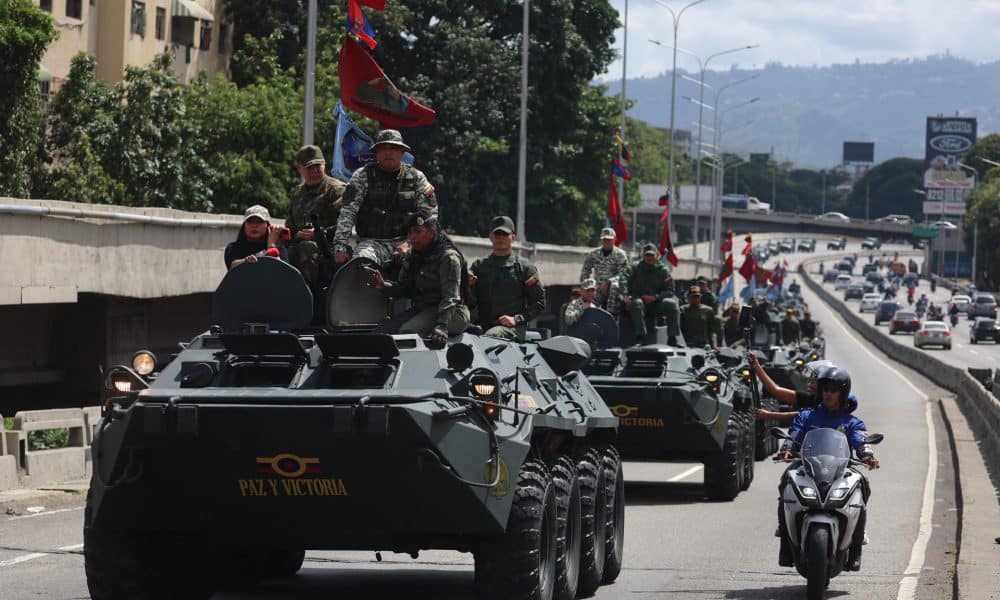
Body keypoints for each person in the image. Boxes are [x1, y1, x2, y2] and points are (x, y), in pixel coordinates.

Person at [775, 367, 878, 571]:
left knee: (862, 485)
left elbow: (860, 440)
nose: (828, 394)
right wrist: (787, 449)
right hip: (807, 467)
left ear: (843, 393)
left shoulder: (851, 421)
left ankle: (856, 547)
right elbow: (794, 435)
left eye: (833, 390)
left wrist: (868, 455)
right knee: (786, 480)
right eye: (825, 389)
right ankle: (786, 542)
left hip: (840, 471)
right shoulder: (807, 416)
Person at [333, 130, 437, 269]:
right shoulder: (362, 175)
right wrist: (340, 247)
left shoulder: (417, 178)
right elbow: (347, 212)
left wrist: (410, 243)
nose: (388, 153)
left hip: (408, 243)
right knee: (361, 264)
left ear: (402, 152)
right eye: (383, 149)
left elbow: (429, 217)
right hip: (371, 243)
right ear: (376, 153)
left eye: (393, 149)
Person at [367, 209, 469, 348]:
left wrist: (442, 326)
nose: (412, 237)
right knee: (381, 332)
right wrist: (383, 285)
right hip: (423, 308)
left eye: (418, 231)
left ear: (433, 232)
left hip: (451, 313)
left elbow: (450, 296)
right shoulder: (414, 256)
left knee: (407, 333)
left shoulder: (448, 257)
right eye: (410, 233)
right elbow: (405, 288)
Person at [468, 216, 546, 340]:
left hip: (512, 329)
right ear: (490, 237)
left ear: (513, 238)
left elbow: (539, 303)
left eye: (504, 234)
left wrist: (517, 319)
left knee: (492, 336)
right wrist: (468, 287)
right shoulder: (479, 266)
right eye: (497, 234)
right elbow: (470, 303)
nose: (500, 238)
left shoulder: (524, 267)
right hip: (482, 326)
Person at [285, 145, 347, 288]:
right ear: (299, 169)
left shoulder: (337, 190)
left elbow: (345, 225)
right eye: (309, 167)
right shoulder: (296, 193)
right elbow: (289, 228)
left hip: (328, 249)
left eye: (317, 166)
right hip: (298, 248)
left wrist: (319, 234)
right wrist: (297, 234)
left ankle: (308, 294)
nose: (314, 171)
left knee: (307, 247)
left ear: (324, 165)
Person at [621, 244, 680, 343]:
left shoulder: (663, 270)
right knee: (637, 303)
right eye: (647, 255)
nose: (649, 258)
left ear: (657, 256)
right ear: (642, 256)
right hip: (639, 302)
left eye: (652, 255)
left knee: (672, 305)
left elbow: (670, 290)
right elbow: (623, 278)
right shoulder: (634, 268)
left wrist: (655, 297)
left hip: (656, 304)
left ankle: (672, 338)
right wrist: (625, 294)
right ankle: (641, 337)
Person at [579, 228, 628, 314]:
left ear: (614, 240)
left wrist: (609, 282)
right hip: (597, 287)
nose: (607, 242)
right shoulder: (593, 254)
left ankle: (611, 316)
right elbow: (585, 271)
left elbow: (623, 273)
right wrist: (585, 287)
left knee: (614, 288)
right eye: (605, 239)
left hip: (613, 288)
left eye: (609, 239)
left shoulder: (620, 255)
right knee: (585, 305)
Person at [224, 205, 286, 270]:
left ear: (268, 226)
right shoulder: (233, 248)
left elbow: (281, 271)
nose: (254, 225)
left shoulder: (280, 249)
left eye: (259, 221)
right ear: (244, 226)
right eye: (250, 221)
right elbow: (232, 267)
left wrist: (271, 246)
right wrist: (245, 261)